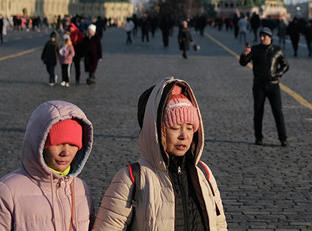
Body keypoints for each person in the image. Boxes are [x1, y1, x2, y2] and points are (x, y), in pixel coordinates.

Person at [93, 78, 227, 231]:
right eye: (175, 128)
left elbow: (219, 225)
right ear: (157, 131)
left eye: (190, 128)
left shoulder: (203, 173)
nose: (184, 136)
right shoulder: (131, 178)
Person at [0, 101, 94, 231]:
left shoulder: (82, 189)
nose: (66, 152)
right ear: (40, 144)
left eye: (72, 145)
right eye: (58, 144)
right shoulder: (6, 192)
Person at [239, 27, 289, 146]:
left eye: (264, 36)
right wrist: (244, 54)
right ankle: (258, 137)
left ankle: (283, 138)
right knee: (258, 112)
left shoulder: (277, 50)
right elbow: (243, 63)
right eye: (260, 36)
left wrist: (277, 74)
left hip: (273, 86)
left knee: (278, 112)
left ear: (269, 37)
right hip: (258, 86)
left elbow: (285, 65)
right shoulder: (255, 49)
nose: (261, 38)